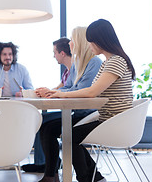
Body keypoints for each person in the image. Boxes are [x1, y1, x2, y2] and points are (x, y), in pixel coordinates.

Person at [42, 19, 135, 182]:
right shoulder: (109, 61)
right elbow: (89, 90)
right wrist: (60, 93)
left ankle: (88, 178)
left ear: (100, 40)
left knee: (69, 136)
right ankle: (93, 178)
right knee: (68, 134)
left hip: (114, 122)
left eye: (91, 40)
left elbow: (92, 91)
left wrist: (61, 95)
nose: (89, 44)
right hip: (108, 119)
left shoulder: (116, 61)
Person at [22, 27, 102, 174]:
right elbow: (69, 88)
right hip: (78, 114)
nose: (70, 43)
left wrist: (55, 92)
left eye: (72, 40)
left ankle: (88, 176)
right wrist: (52, 92)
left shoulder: (94, 63)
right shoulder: (77, 64)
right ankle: (50, 175)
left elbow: (82, 91)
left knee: (64, 133)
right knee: (47, 128)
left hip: (89, 115)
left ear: (79, 42)